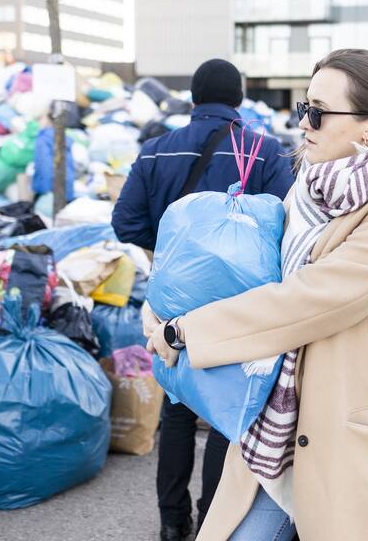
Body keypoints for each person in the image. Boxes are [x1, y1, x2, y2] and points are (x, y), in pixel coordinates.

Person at [142, 49, 368, 541]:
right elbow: (255, 278)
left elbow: (308, 300)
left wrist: (187, 332)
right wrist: (164, 304)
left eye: (319, 112)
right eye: (304, 108)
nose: (304, 122)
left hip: (342, 435)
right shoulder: (307, 191)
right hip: (274, 427)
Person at [112, 58, 294, 541]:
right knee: (224, 412)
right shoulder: (264, 150)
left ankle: (172, 523)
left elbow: (125, 223)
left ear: (193, 98)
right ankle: (214, 520)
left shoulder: (156, 150)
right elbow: (286, 225)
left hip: (171, 302)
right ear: (238, 99)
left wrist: (170, 253)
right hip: (239, 308)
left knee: (176, 407)